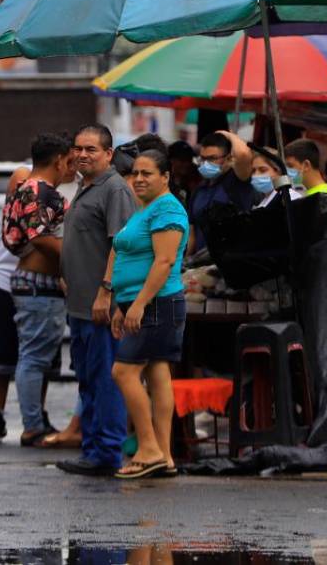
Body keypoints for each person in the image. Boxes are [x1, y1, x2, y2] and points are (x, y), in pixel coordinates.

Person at [57, 124, 137, 477]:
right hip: (79, 305)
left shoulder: (114, 189)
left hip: (102, 307)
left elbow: (121, 245)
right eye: (79, 149)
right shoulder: (83, 187)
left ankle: (106, 452)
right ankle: (92, 448)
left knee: (105, 380)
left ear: (108, 154)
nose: (83, 155)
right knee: (89, 379)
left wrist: (106, 290)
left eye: (92, 149)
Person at [108, 150, 189, 478]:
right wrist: (121, 304)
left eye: (148, 173)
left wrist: (139, 304)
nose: (139, 179)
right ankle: (164, 455)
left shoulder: (167, 208)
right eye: (136, 173)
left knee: (123, 372)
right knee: (157, 375)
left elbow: (164, 261)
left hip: (157, 303)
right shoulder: (146, 209)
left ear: (166, 177)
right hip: (142, 303)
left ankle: (149, 448)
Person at [2, 133, 70, 446]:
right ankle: (32, 425)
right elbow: (39, 237)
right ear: (58, 160)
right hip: (36, 284)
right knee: (33, 358)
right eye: (70, 160)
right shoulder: (39, 191)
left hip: (36, 282)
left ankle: (36, 420)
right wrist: (74, 252)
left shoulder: (30, 189)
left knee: (37, 356)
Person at [0, 165, 31, 443]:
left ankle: (35, 418)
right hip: (6, 281)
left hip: (45, 284)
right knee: (0, 356)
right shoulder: (26, 179)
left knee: (38, 358)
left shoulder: (75, 188)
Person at [187, 130, 254, 252]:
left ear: (229, 158)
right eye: (203, 158)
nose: (206, 163)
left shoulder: (237, 181)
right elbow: (192, 233)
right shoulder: (199, 190)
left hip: (230, 261)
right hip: (199, 265)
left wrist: (225, 134)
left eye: (212, 158)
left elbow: (243, 153)